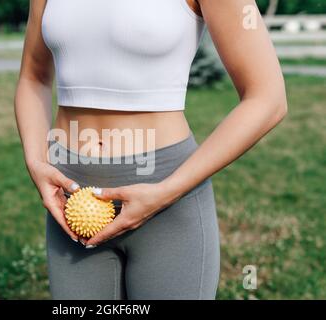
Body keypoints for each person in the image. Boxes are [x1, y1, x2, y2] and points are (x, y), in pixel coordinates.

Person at [14, 0, 287, 299]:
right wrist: (36, 161)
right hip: (72, 204)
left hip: (168, 199)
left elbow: (267, 97)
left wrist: (167, 190)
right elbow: (33, 77)